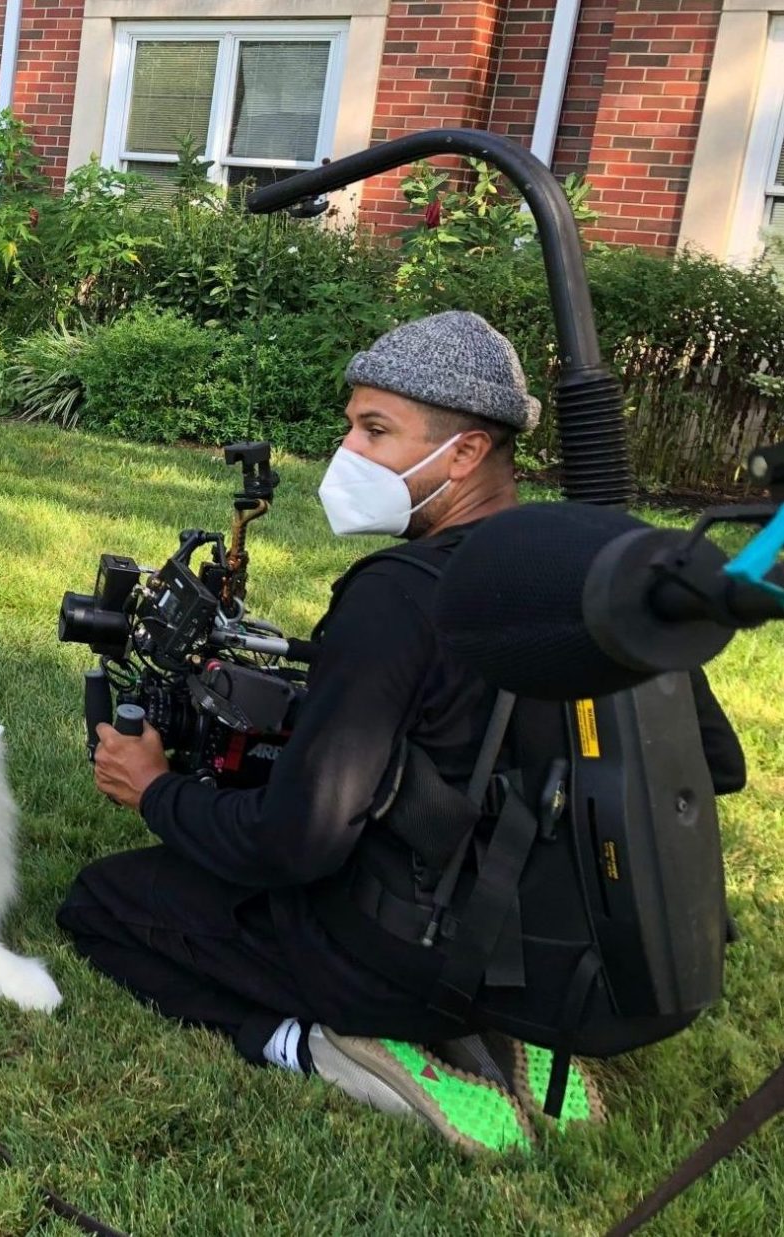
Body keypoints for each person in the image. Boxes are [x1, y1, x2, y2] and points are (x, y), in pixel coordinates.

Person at [57, 312, 748, 1154]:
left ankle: (320, 1043)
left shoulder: (399, 594)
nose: (347, 449)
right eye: (351, 423)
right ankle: (510, 1031)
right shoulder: (613, 575)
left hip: (397, 960)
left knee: (101, 902)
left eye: (374, 428)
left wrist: (156, 792)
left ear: (462, 453)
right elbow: (716, 761)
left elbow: (295, 844)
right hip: (565, 953)